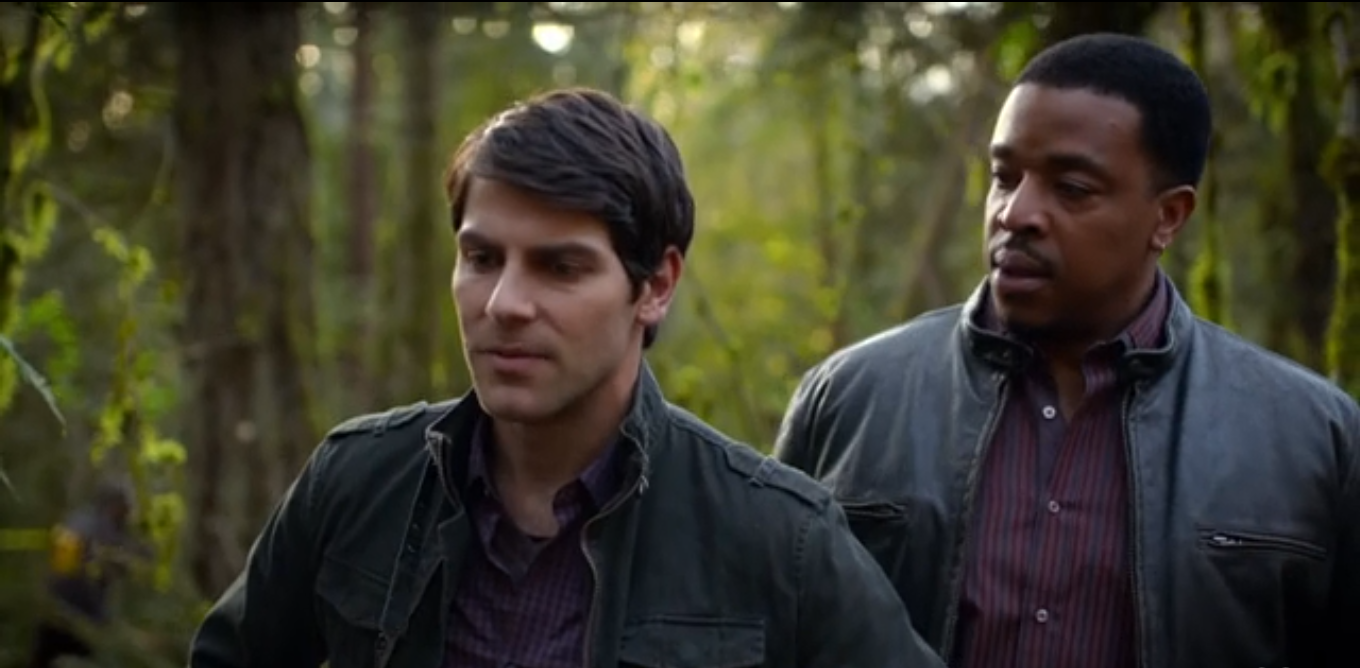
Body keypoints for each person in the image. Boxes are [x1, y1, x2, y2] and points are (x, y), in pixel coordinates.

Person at [188, 87, 943, 668]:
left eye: (559, 267)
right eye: (482, 258)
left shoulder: (779, 539)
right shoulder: (359, 482)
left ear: (655, 286)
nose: (504, 304)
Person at [774, 32, 1360, 668]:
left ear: (1169, 216)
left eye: (1072, 188)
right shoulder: (850, 400)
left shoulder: (1311, 438)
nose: (1015, 214)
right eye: (1004, 178)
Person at [29, 480, 139, 668]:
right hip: (82, 614)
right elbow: (114, 565)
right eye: (125, 506)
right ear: (115, 504)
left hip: (56, 608)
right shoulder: (104, 527)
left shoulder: (78, 519)